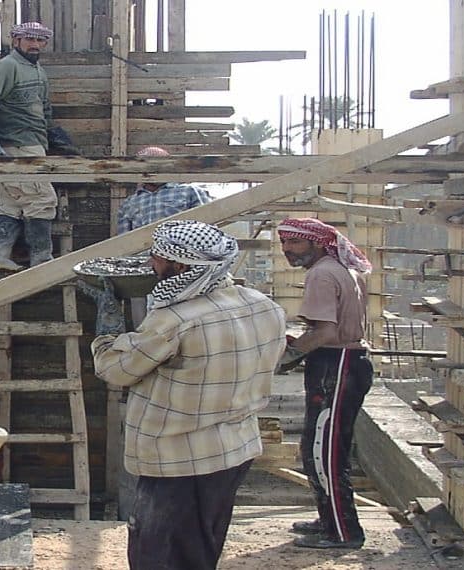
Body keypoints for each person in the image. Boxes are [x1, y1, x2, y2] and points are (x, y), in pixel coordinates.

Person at [79, 221, 286, 570]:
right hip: (234, 451)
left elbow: (116, 370)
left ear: (180, 267)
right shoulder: (264, 305)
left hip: (178, 461)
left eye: (156, 258)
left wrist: (108, 326)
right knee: (200, 548)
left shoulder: (175, 320)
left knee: (156, 556)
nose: (150, 265)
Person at [276, 217, 375, 550]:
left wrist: (285, 356)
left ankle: (344, 532)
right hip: (346, 363)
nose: (287, 249)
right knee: (321, 448)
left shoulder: (321, 274)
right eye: (284, 243)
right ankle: (329, 519)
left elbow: (324, 333)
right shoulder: (341, 268)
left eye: (294, 243)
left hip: (337, 364)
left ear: (317, 243)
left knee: (325, 453)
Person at [0, 21, 80, 272]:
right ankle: (41, 259)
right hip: (18, 148)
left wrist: (58, 139)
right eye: (29, 39)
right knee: (42, 199)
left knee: (12, 204)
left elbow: (44, 112)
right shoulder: (7, 67)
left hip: (33, 145)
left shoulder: (37, 69)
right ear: (15, 41)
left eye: (40, 40)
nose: (35, 44)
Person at [117, 145, 215, 324]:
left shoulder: (189, 192)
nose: (150, 170)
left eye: (155, 165)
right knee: (145, 320)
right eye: (144, 166)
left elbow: (207, 230)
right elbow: (125, 243)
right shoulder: (130, 203)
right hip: (145, 268)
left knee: (184, 317)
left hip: (182, 268)